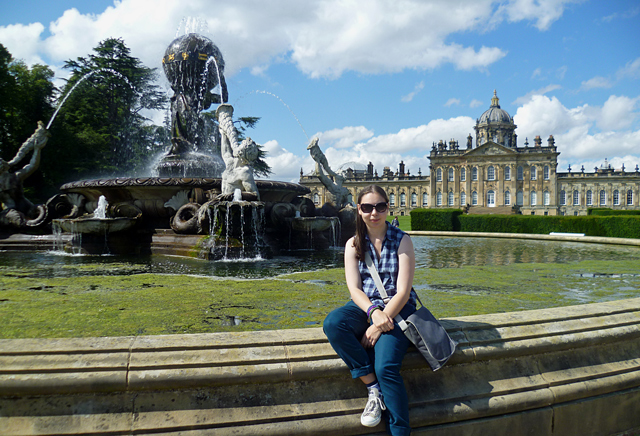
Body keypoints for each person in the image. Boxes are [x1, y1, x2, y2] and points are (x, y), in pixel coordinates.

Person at [323, 184, 417, 436]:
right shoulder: (353, 244)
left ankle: (400, 432)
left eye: (380, 206)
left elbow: (403, 292)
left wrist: (380, 323)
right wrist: (374, 314)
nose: (374, 212)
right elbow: (354, 289)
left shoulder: (402, 240)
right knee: (334, 323)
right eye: (367, 207)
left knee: (387, 367)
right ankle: (372, 388)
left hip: (398, 308)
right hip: (366, 306)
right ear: (359, 210)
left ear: (388, 207)